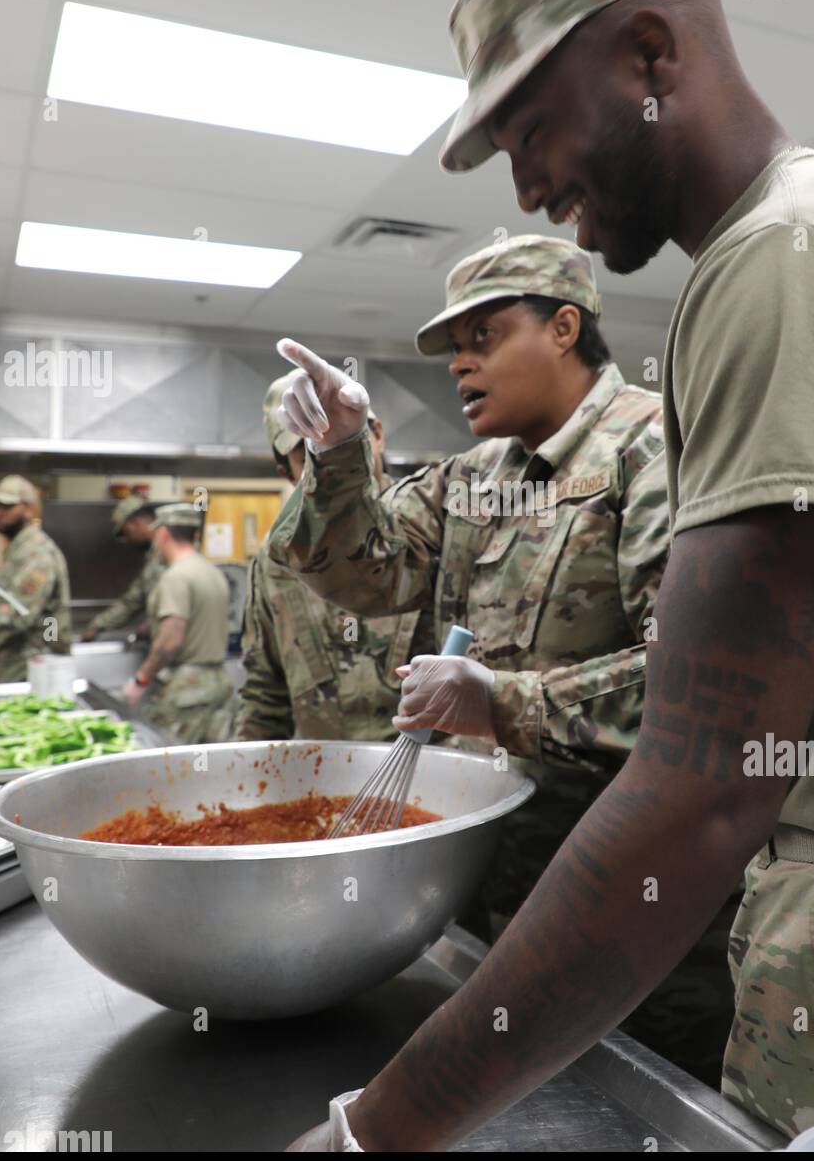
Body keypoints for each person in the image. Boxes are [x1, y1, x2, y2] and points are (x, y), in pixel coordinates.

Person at [282, 0, 814, 1152]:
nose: (523, 188)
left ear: (647, 51)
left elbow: (699, 782)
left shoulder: (792, 268)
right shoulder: (796, 250)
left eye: (527, 129)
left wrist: (377, 1133)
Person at [271, 234, 742, 1086]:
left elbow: (701, 687)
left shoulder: (654, 452)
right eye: (454, 349)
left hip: (630, 905)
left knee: (644, 1107)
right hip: (493, 892)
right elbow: (356, 572)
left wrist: (501, 701)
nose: (460, 366)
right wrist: (339, 456)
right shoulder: (473, 476)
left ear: (565, 328)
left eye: (483, 338)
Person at [235, 373, 431, 741]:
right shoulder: (276, 560)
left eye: (347, 436)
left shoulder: (426, 524)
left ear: (377, 435)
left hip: (430, 780)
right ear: (286, 473)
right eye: (308, 449)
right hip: (320, 780)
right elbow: (265, 689)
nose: (333, 454)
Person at [121, 503, 232, 744]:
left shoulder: (176, 577)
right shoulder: (212, 572)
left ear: (162, 534)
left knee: (171, 763)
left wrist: (140, 679)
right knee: (212, 767)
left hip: (187, 690)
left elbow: (170, 641)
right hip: (218, 683)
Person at [0, 475, 71, 684]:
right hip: (12, 669)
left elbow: (18, 613)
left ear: (28, 509)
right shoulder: (18, 550)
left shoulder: (37, 554)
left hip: (30, 671)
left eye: (6, 507)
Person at [79, 496, 164, 642]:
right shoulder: (153, 557)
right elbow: (132, 600)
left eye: (127, 533)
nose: (128, 540)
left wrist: (152, 624)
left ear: (135, 523)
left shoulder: (168, 554)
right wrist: (98, 625)